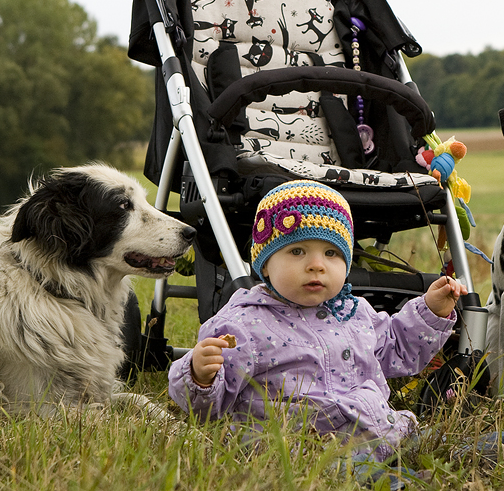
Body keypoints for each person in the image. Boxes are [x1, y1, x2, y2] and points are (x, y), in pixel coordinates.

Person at [168, 179, 467, 463]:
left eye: (331, 253)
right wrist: (199, 376)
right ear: (266, 265)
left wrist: (430, 310)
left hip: (381, 431)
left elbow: (396, 349)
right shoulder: (245, 323)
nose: (316, 265)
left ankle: (496, 448)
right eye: (297, 251)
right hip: (304, 449)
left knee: (454, 446)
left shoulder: (353, 312)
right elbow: (207, 408)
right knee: (362, 472)